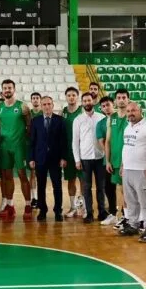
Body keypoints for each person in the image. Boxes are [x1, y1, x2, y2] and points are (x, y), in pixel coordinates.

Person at [118, 102, 146, 243]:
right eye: (128, 110)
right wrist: (123, 165)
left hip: (142, 170)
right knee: (131, 201)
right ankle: (133, 225)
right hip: (128, 169)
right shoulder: (127, 127)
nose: (130, 113)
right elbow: (127, 147)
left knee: (145, 201)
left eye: (133, 110)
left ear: (140, 111)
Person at [0, 79, 32, 221]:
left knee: (23, 175)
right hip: (4, 147)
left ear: (14, 89)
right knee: (7, 176)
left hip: (19, 147)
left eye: (9, 88)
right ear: (2, 90)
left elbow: (29, 126)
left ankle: (28, 205)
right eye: (5, 88)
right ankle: (10, 205)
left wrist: (25, 143)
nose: (7, 90)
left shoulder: (22, 106)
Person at [28, 96, 67, 222]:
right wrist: (31, 158)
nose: (47, 106)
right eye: (44, 104)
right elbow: (32, 141)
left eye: (49, 104)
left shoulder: (60, 120)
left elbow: (63, 141)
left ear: (53, 105)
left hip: (56, 159)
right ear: (41, 106)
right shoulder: (35, 121)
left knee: (57, 186)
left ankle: (57, 211)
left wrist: (63, 157)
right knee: (41, 186)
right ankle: (42, 210)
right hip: (40, 158)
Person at [72, 92, 108, 224]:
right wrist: (77, 159)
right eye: (85, 101)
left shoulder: (101, 117)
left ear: (93, 101)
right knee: (86, 187)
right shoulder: (78, 120)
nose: (87, 103)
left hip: (100, 157)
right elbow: (75, 141)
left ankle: (102, 211)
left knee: (101, 186)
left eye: (89, 100)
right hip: (85, 158)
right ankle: (89, 213)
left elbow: (106, 138)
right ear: (82, 103)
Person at [106, 89, 129, 229]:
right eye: (119, 97)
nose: (121, 100)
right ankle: (126, 216)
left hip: (128, 160)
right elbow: (107, 141)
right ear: (115, 100)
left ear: (128, 99)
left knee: (128, 190)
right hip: (115, 160)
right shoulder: (111, 118)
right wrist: (107, 160)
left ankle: (130, 217)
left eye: (124, 97)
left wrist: (125, 162)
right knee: (122, 189)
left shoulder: (132, 115)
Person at [62, 87, 85, 217]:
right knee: (70, 180)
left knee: (82, 180)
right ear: (66, 97)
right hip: (68, 152)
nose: (71, 97)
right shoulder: (63, 112)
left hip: (81, 152)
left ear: (77, 97)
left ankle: (82, 206)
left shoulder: (82, 111)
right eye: (69, 95)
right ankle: (72, 207)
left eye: (73, 95)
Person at [95, 96, 118, 226]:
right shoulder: (100, 124)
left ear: (113, 104)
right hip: (108, 160)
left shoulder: (122, 119)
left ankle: (129, 215)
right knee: (109, 188)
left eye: (108, 105)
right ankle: (113, 213)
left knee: (126, 189)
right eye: (103, 106)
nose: (106, 108)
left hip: (122, 160)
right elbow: (101, 142)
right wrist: (110, 155)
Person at [28, 92, 43, 209]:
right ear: (31, 101)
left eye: (37, 98)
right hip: (32, 145)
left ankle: (41, 198)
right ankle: (34, 198)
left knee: (41, 174)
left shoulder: (44, 112)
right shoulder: (28, 113)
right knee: (32, 173)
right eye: (33, 98)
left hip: (43, 146)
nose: (35, 100)